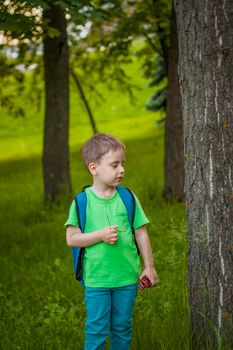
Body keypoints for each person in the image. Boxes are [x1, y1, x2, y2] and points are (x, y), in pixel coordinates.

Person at [65, 133, 159, 350]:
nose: (122, 170)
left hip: (126, 278)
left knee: (122, 328)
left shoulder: (127, 198)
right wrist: (100, 235)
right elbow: (72, 239)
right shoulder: (82, 202)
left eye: (123, 164)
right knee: (97, 330)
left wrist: (149, 267)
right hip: (97, 280)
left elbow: (141, 232)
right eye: (114, 165)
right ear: (94, 168)